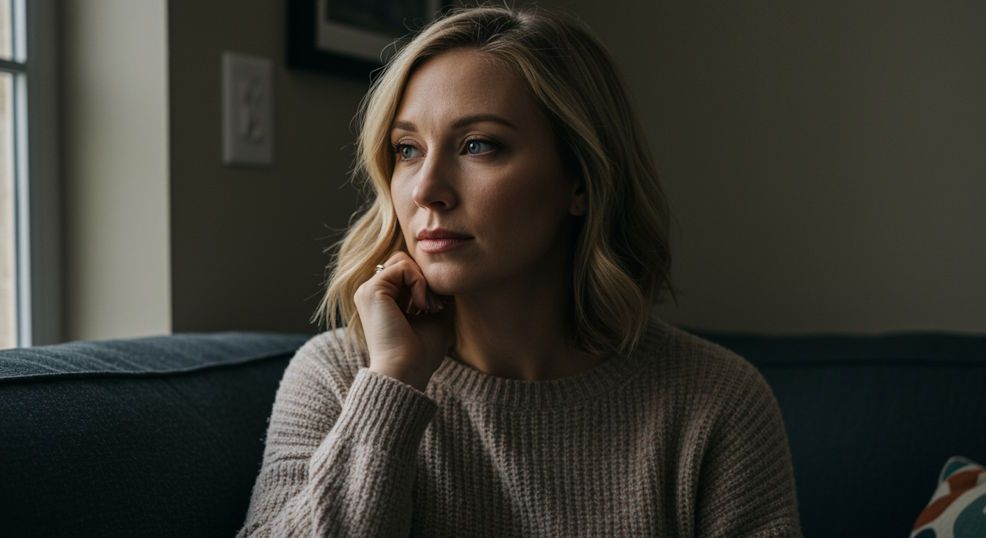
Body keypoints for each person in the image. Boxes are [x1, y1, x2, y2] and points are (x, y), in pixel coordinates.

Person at [238, 4, 802, 536]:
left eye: (478, 145)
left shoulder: (717, 401)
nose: (427, 189)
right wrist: (392, 386)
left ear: (579, 180)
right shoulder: (337, 379)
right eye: (407, 150)